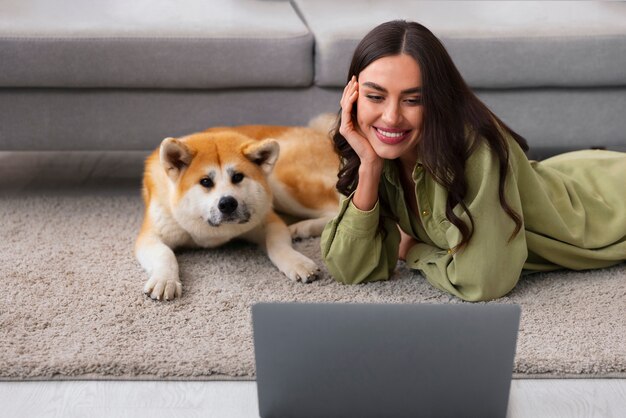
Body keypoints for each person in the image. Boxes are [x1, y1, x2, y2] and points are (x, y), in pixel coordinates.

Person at [320, 20, 626, 302]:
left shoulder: (475, 146)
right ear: (353, 95)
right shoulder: (380, 154)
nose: (391, 117)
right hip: (566, 175)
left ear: (438, 100)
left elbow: (483, 282)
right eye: (375, 97)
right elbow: (352, 271)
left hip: (606, 205)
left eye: (413, 100)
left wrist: (413, 249)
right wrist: (370, 168)